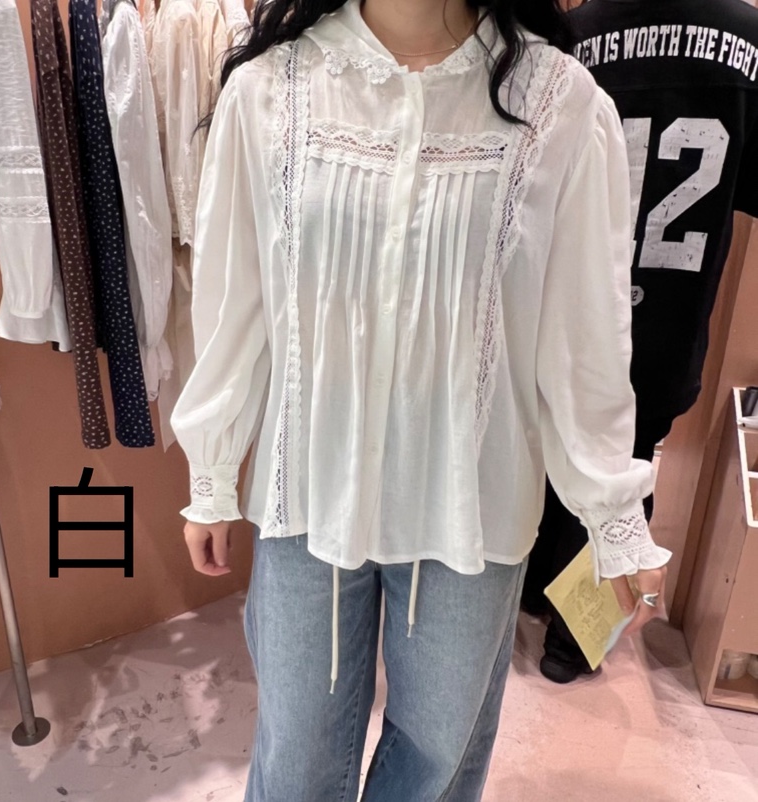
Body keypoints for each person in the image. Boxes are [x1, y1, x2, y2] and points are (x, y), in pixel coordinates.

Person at [170, 0, 671, 798]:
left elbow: (584, 335)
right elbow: (237, 303)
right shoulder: (272, 89)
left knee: (439, 758)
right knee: (297, 756)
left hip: (473, 505)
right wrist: (212, 470)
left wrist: (613, 516)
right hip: (308, 495)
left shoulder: (558, 103)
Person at [523, 0, 758, 686]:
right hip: (673, 313)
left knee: (555, 445)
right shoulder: (748, 38)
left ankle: (535, 592)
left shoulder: (574, 31)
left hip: (570, 305)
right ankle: (575, 642)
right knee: (631, 459)